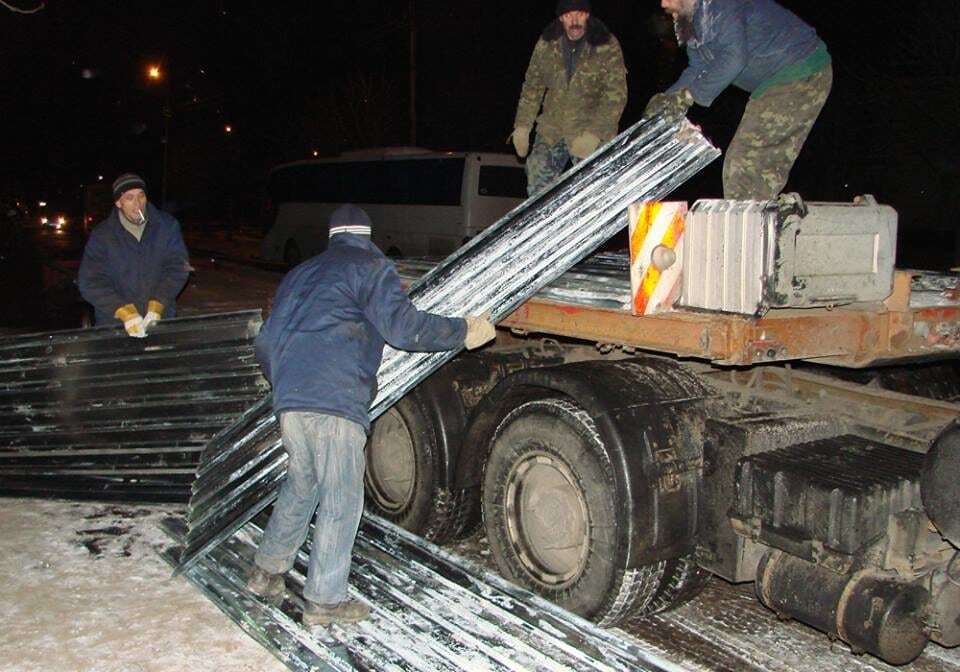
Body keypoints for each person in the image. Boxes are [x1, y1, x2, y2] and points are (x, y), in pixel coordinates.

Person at [247, 204, 496, 627]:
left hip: (290, 399)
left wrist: (289, 383)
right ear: (366, 235)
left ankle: (266, 572)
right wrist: (463, 331)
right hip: (335, 400)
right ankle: (324, 601)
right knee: (341, 500)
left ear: (332, 236)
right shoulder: (370, 266)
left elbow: (267, 341)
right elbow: (403, 328)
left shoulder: (300, 274)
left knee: (302, 485)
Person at [645, 0, 832, 200]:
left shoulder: (719, 6)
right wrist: (668, 100)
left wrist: (688, 97)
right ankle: (760, 216)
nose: (664, 3)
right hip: (777, 83)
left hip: (800, 71)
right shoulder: (696, 23)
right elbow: (698, 68)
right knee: (747, 164)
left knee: (746, 163)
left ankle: (751, 223)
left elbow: (734, 58)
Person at [511, 0, 628, 196]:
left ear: (587, 15)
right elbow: (532, 86)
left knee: (594, 189)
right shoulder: (547, 43)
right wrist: (522, 126)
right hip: (553, 127)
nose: (574, 20)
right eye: (568, 15)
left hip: (590, 128)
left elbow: (616, 95)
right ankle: (545, 224)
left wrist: (595, 133)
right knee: (536, 180)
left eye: (579, 14)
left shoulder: (606, 44)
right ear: (560, 19)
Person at [78, 173, 190, 336]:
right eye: (129, 198)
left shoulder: (166, 227)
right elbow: (90, 281)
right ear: (118, 202)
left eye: (141, 196)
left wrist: (158, 305)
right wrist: (124, 312)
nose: (137, 204)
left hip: (161, 321)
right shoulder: (102, 236)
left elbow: (178, 268)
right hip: (115, 327)